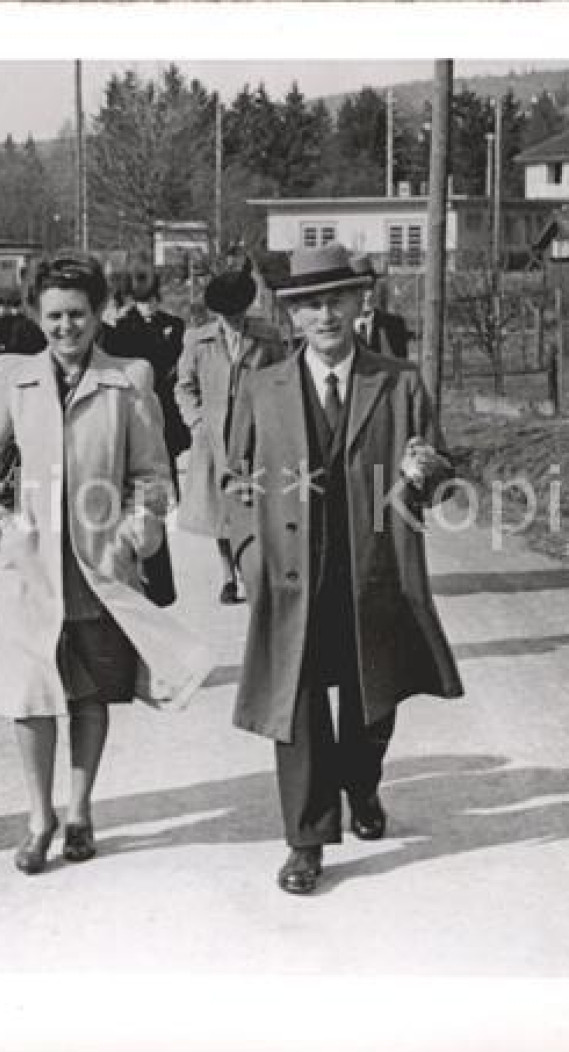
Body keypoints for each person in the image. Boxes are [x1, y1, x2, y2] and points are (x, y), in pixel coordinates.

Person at [223, 243, 464, 896]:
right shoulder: (262, 385)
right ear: (292, 316)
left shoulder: (399, 381)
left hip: (372, 567)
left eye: (336, 299)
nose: (324, 314)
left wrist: (428, 472)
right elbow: (234, 483)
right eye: (308, 304)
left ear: (361, 304)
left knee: (370, 698)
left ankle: (361, 783)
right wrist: (248, 555)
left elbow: (437, 473)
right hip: (289, 573)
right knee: (294, 704)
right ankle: (305, 840)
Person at [0, 252, 212, 875]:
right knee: (30, 694)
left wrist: (136, 528)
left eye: (77, 314)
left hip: (99, 566)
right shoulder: (11, 378)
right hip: (29, 570)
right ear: (35, 315)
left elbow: (152, 475)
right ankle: (38, 816)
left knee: (90, 694)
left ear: (98, 314)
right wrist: (2, 531)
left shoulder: (130, 379)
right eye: (53, 316)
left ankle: (80, 809)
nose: (65, 327)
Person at [174, 261, 285, 605]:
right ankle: (226, 576)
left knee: (252, 504)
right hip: (214, 438)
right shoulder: (198, 339)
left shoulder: (267, 337)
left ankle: (252, 570)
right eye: (226, 313)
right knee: (218, 511)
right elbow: (184, 386)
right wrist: (196, 422)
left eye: (237, 312)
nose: (233, 319)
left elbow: (284, 381)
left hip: (256, 435)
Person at [103, 270, 191, 467]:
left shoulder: (173, 324)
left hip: (165, 395)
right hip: (137, 394)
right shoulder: (124, 326)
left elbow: (178, 356)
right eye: (143, 302)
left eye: (152, 300)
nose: (148, 307)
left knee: (167, 451)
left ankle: (170, 493)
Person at [356, 278, 410, 359]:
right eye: (362, 289)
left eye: (371, 288)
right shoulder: (339, 326)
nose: (368, 294)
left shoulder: (395, 324)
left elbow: (401, 363)